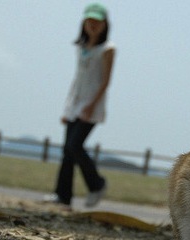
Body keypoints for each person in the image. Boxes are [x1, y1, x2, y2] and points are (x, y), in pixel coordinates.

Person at [54, 3, 116, 208]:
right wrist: (67, 108)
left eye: (97, 21)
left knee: (75, 146)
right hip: (75, 103)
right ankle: (63, 197)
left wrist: (91, 105)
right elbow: (77, 80)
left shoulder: (108, 49)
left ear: (105, 23)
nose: (93, 25)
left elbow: (106, 81)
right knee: (67, 150)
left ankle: (97, 184)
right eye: (90, 21)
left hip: (92, 104)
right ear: (84, 22)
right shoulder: (81, 48)